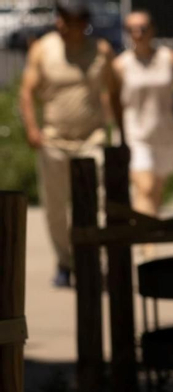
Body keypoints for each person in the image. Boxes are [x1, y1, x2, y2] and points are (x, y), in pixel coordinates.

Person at [17, 2, 114, 288]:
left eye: (66, 19)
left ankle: (94, 259)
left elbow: (114, 91)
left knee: (98, 202)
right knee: (56, 207)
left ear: (82, 22)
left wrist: (119, 131)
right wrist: (33, 129)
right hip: (54, 140)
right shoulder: (43, 49)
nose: (59, 24)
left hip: (92, 138)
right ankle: (64, 261)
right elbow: (26, 92)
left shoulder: (101, 51)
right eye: (58, 18)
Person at [109, 10, 173, 220]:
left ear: (152, 30)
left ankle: (146, 236)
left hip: (165, 132)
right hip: (135, 135)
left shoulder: (169, 59)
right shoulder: (120, 65)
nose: (137, 34)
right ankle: (147, 248)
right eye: (131, 30)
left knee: (156, 191)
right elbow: (110, 101)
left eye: (142, 29)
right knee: (146, 187)